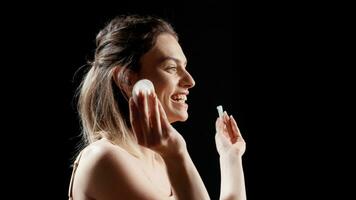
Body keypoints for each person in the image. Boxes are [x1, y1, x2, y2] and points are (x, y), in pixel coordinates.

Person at [68, 15, 246, 200]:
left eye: (184, 67)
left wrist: (230, 157)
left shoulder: (160, 161)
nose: (190, 81)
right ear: (127, 80)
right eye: (170, 68)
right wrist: (177, 153)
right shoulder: (104, 159)